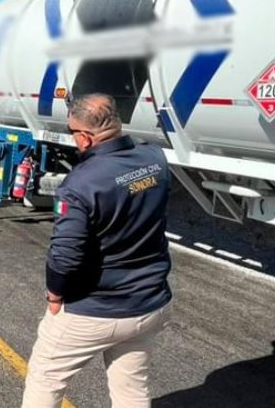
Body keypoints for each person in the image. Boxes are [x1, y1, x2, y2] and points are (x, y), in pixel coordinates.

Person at [22, 93, 173, 408]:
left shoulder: (78, 185)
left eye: (73, 133)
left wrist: (54, 294)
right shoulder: (155, 159)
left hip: (93, 309)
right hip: (148, 305)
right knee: (131, 392)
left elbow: (65, 254)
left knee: (45, 380)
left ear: (85, 138)